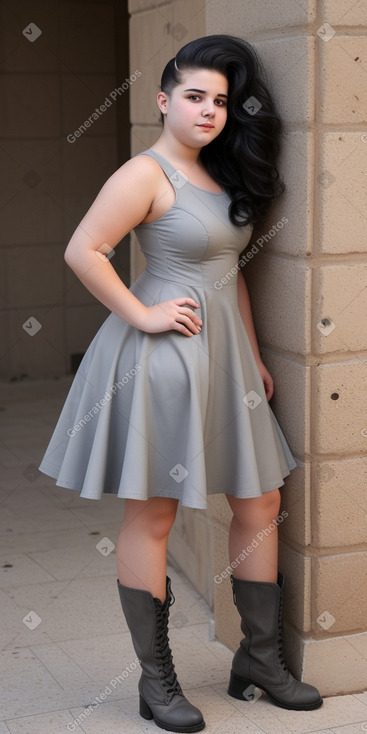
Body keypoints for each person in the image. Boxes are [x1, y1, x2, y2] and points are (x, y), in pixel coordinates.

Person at [39, 34, 323, 733]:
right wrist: (142, 312)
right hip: (163, 361)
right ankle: (155, 682)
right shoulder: (144, 173)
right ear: (163, 101)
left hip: (228, 362)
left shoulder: (221, 175)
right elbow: (85, 249)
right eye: (194, 97)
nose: (208, 110)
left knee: (260, 501)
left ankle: (260, 661)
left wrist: (253, 356)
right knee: (155, 515)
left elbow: (233, 278)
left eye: (220, 101)